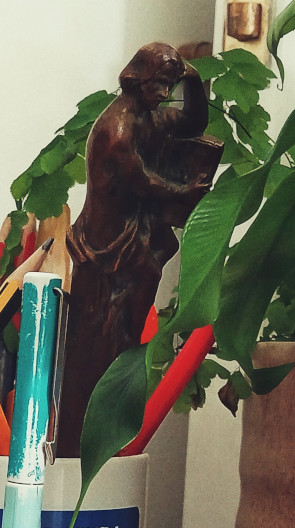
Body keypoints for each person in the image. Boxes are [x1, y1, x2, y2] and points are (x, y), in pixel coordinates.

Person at [57, 42, 222, 455]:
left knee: (128, 336)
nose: (165, 94)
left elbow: (192, 121)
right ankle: (83, 444)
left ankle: (107, 437)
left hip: (136, 240)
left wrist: (193, 78)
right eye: (160, 84)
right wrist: (187, 192)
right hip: (106, 246)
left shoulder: (149, 116)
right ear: (137, 79)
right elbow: (144, 182)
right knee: (97, 340)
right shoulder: (118, 131)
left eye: (169, 85)